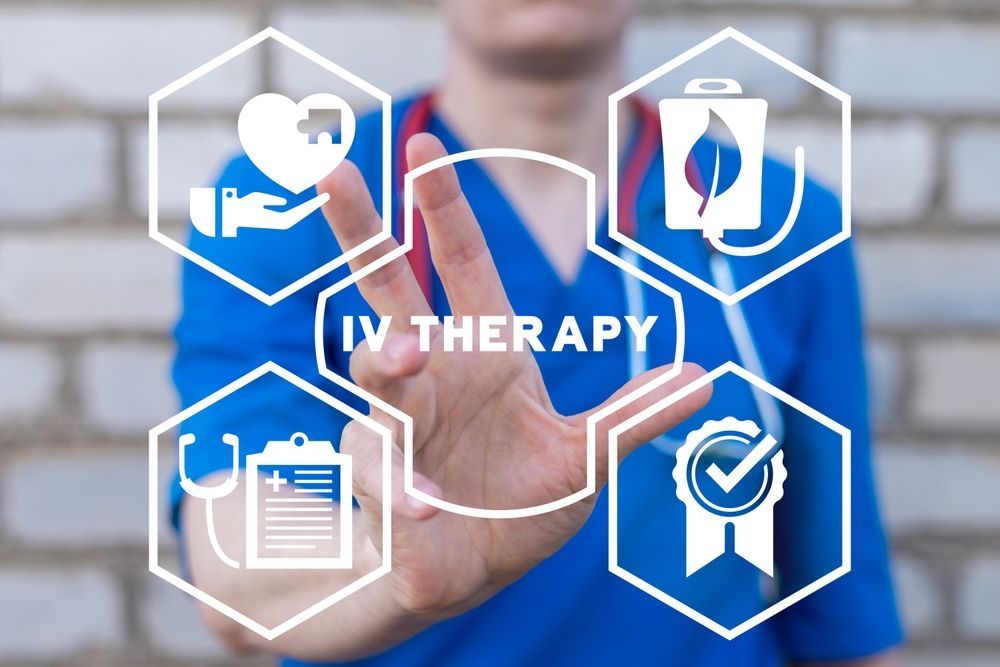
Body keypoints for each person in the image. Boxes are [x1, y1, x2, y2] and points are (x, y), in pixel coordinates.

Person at [172, 1, 903, 665]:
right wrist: (395, 570)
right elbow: (238, 559)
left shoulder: (786, 221)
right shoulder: (284, 204)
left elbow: (840, 615)